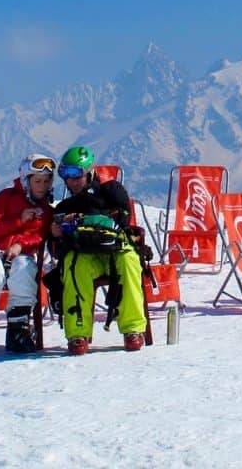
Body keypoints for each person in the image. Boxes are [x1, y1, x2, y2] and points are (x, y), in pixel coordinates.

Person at [50, 146, 147, 356]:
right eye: (66, 174)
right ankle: (77, 333)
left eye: (76, 174)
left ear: (88, 171)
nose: (71, 180)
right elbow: (54, 247)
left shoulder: (112, 191)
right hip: (85, 254)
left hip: (114, 250)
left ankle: (133, 329)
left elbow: (124, 220)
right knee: (73, 264)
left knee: (129, 261)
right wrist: (56, 233)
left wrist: (83, 218)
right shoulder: (64, 207)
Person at [0, 154, 55, 358]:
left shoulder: (46, 210)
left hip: (21, 254)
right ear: (26, 180)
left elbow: (39, 236)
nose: (42, 186)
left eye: (46, 181)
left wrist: (20, 245)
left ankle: (18, 330)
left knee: (24, 271)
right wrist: (18, 220)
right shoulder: (6, 197)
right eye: (37, 181)